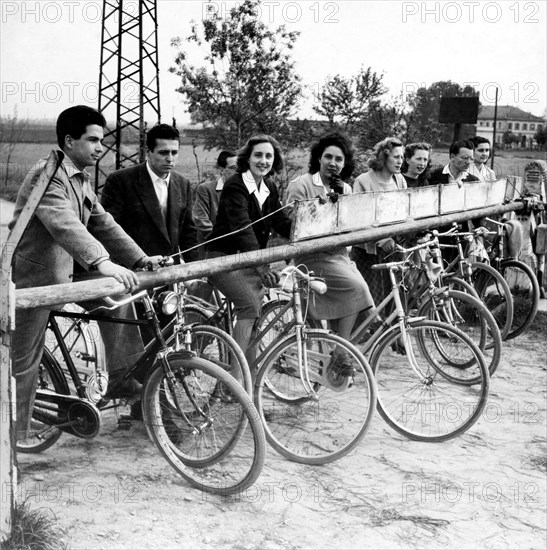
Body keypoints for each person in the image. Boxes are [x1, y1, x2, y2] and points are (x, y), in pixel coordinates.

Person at [9, 106, 164, 441]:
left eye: (101, 140)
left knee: (118, 294)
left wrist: (140, 260)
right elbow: (65, 226)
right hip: (34, 282)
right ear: (69, 140)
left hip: (69, 276)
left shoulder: (78, 178)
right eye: (93, 139)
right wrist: (103, 263)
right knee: (21, 365)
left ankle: (123, 376)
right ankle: (13, 447)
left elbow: (103, 223)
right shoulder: (46, 176)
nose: (99, 147)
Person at [206, 135, 291, 363]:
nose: (263, 161)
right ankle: (234, 379)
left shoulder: (269, 186)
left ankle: (248, 373)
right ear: (248, 158)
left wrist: (307, 227)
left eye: (268, 156)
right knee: (250, 306)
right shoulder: (236, 185)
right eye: (258, 155)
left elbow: (281, 221)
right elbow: (242, 229)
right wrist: (262, 266)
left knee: (254, 313)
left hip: (245, 260)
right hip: (222, 258)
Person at [285, 132, 375, 349]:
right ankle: (343, 350)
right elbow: (291, 224)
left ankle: (339, 346)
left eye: (339, 159)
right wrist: (320, 208)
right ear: (318, 158)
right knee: (357, 288)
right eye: (328, 157)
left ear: (345, 164)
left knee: (370, 308)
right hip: (311, 254)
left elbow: (350, 223)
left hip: (339, 255)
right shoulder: (302, 184)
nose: (333, 163)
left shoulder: (345, 188)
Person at [101, 123, 198, 264]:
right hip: (133, 271)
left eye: (174, 152)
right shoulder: (120, 181)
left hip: (171, 270)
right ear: (148, 151)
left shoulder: (183, 184)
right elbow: (109, 231)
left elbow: (188, 232)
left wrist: (194, 269)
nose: (170, 158)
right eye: (163, 152)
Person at [351, 137, 408, 307]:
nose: (400, 161)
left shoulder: (400, 180)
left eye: (402, 157)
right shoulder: (363, 181)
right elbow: (358, 218)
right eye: (396, 157)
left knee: (395, 296)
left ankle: (393, 333)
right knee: (372, 300)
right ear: (384, 157)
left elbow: (403, 211)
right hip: (368, 251)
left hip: (393, 247)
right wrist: (379, 239)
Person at [192, 150, 237, 249]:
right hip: (213, 249)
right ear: (222, 170)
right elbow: (201, 220)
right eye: (234, 168)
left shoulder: (246, 191)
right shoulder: (206, 189)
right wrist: (224, 241)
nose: (239, 172)